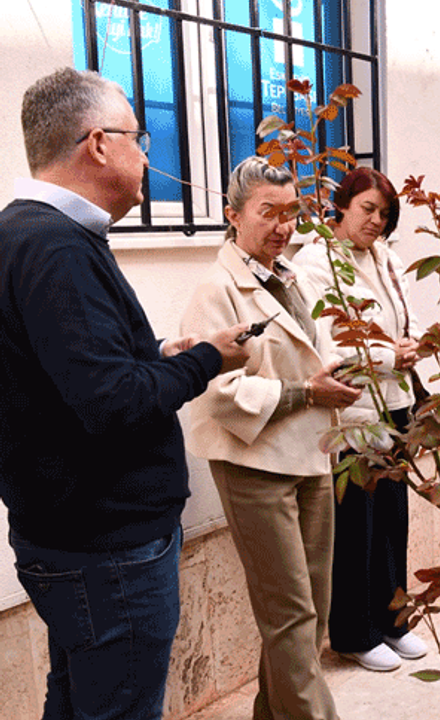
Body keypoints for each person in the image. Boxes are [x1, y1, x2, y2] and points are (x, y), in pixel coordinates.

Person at [0, 67, 249, 720]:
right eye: (139, 139)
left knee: (76, 701)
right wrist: (207, 358)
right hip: (107, 550)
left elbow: (61, 375)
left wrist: (155, 353)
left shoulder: (26, 234)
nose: (147, 156)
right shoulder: (56, 248)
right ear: (98, 143)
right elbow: (111, 403)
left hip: (70, 538)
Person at [181, 156, 362, 720]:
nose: (284, 226)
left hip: (311, 456)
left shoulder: (289, 278)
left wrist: (341, 374)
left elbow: (311, 357)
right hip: (255, 467)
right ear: (233, 215)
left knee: (312, 612)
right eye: (269, 212)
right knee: (289, 616)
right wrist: (307, 392)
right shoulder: (216, 290)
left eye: (291, 213)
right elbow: (217, 392)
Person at [291, 167, 430, 672]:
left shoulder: (384, 257)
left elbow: (404, 316)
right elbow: (326, 341)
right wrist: (392, 356)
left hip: (394, 402)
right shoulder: (316, 262)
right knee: (356, 526)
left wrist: (413, 345)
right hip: (352, 410)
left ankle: (393, 622)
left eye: (385, 214)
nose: (376, 221)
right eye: (367, 209)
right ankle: (354, 633)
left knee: (393, 519)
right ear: (342, 206)